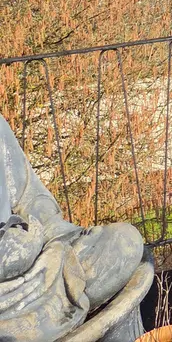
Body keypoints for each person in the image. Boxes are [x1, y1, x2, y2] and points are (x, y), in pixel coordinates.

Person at [0, 113, 144, 342]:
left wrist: (41, 229)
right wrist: (10, 255)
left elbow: (31, 197)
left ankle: (50, 313)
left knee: (123, 241)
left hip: (39, 264)